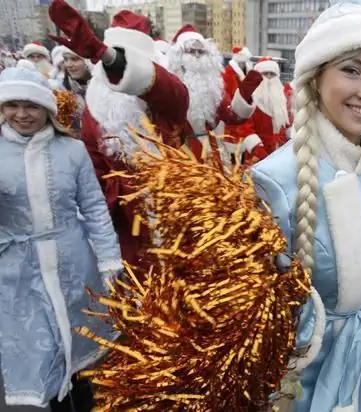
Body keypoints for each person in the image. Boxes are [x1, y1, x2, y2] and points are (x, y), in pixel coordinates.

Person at [251, 1, 361, 410]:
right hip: (296, 374)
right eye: (352, 70)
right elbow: (254, 310)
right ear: (316, 78)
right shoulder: (273, 181)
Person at [47, 0, 206, 265]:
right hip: (129, 224)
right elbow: (94, 170)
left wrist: (108, 57)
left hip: (180, 210)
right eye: (110, 65)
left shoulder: (166, 98)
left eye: (123, 64)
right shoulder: (96, 108)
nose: (115, 77)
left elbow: (173, 93)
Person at [0, 67, 122, 411]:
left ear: (47, 110)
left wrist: (109, 260)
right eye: (13, 105)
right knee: (43, 353)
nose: (22, 115)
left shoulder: (72, 150)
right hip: (18, 271)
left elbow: (95, 208)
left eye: (31, 106)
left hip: (72, 264)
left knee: (81, 352)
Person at [166, 25, 261, 162]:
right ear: (179, 55)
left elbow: (232, 115)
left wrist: (248, 88)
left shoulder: (213, 87)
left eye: (201, 51)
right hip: (182, 154)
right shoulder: (171, 84)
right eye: (191, 51)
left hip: (211, 152)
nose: (197, 56)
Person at [223, 56, 292, 162]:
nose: (268, 77)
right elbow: (246, 129)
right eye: (265, 74)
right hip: (257, 155)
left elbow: (287, 125)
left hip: (279, 152)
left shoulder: (282, 98)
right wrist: (259, 151)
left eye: (272, 74)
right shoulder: (252, 99)